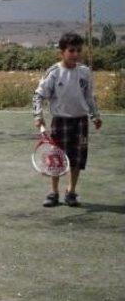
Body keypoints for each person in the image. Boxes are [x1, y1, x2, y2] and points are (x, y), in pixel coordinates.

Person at [32, 31, 102, 207]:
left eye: (79, 50)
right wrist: (38, 116)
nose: (76, 54)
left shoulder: (85, 72)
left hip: (80, 122)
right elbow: (38, 95)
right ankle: (53, 193)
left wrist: (95, 115)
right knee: (56, 158)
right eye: (71, 50)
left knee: (77, 158)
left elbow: (89, 97)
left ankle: (71, 192)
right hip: (60, 121)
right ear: (61, 52)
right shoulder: (54, 72)